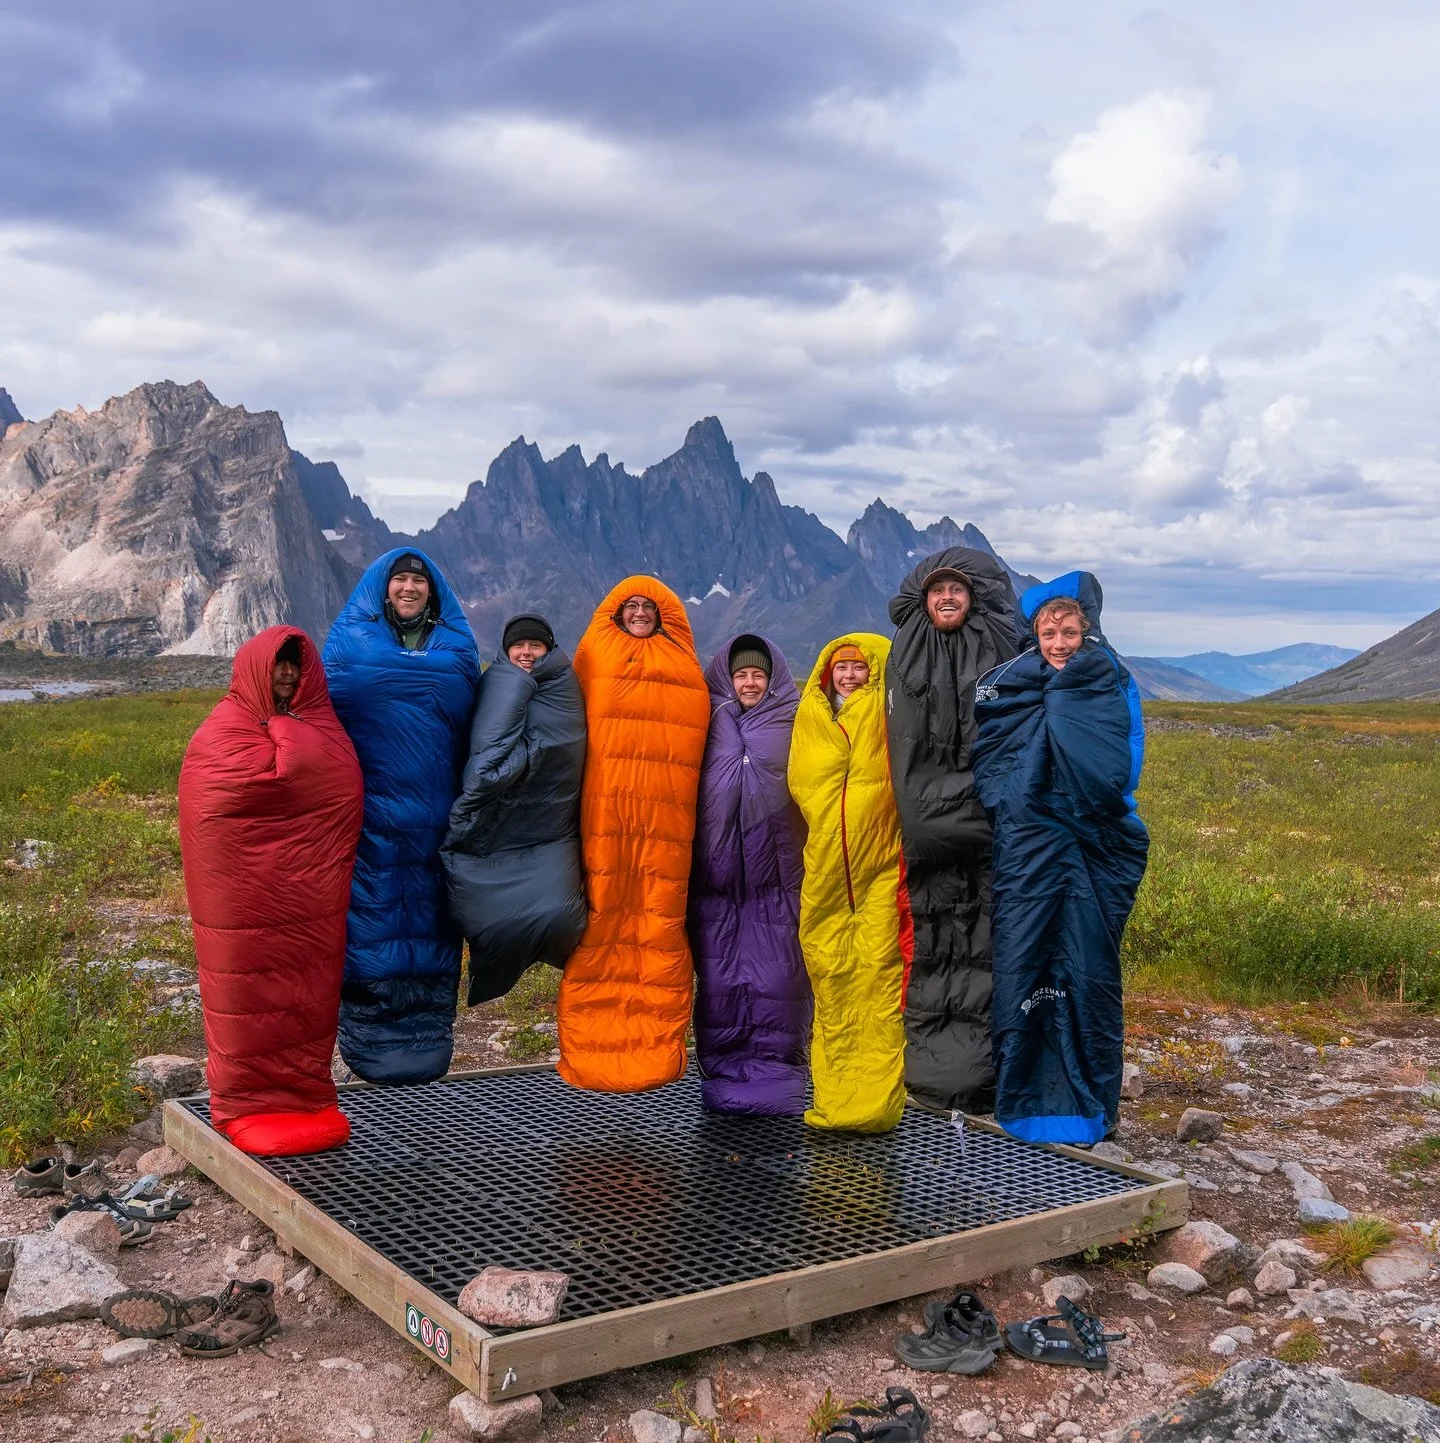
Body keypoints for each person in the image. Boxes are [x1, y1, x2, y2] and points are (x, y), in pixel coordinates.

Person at [973, 573, 1149, 1144]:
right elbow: (993, 758)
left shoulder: (1108, 679)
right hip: (1029, 847)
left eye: (1069, 632)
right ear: (1035, 634)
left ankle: (1090, 1103)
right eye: (1049, 633)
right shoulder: (1012, 685)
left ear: (1085, 630)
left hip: (1090, 840)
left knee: (1087, 964)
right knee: (1025, 956)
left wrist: (1103, 800)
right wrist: (1020, 799)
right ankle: (1025, 1097)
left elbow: (1126, 751)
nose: (1059, 643)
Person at [178, 626, 363, 1155]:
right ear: (256, 669)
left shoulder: (322, 724)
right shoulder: (223, 728)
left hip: (311, 896)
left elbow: (341, 787)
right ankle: (247, 1102)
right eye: (278, 665)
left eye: (295, 667)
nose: (286, 675)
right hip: (241, 897)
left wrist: (294, 745)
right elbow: (211, 805)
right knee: (247, 992)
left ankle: (306, 1093)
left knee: (308, 990)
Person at [323, 549, 479, 1084]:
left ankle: (428, 1038)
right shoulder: (351, 642)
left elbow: (473, 719)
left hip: (436, 816)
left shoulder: (457, 647)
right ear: (382, 589)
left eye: (418, 581)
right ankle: (370, 1038)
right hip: (373, 817)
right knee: (374, 920)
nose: (409, 588)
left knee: (432, 924)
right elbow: (327, 710)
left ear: (433, 592)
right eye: (401, 581)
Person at [557, 577, 710, 1092]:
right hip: (606, 818)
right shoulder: (594, 655)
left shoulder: (684, 665)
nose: (641, 613)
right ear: (615, 614)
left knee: (659, 925)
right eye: (632, 606)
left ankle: (655, 1054)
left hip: (667, 822)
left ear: (664, 614)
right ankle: (590, 1052)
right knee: (601, 925)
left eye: (649, 607)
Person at [885, 548, 1019, 1114]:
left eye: (957, 590)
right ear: (924, 598)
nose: (946, 598)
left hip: (985, 829)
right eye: (938, 590)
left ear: (974, 598)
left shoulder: (1004, 655)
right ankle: (931, 1070)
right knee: (932, 941)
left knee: (984, 939)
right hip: (927, 837)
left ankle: (981, 1073)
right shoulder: (903, 657)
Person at [788, 633, 905, 1132]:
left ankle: (875, 1105)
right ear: (826, 672)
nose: (851, 676)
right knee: (830, 974)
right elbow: (801, 779)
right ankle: (836, 1100)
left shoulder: (887, 713)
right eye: (842, 668)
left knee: (879, 975)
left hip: (880, 864)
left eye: (860, 668)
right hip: (826, 866)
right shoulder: (812, 715)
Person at [688, 635, 809, 1115]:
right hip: (717, 882)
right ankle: (721, 1082)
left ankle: (779, 1081)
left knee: (780, 982)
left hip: (774, 880)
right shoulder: (709, 722)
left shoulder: (793, 719)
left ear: (773, 677)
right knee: (720, 984)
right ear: (728, 679)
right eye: (742, 675)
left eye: (759, 674)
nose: (750, 682)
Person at [442, 614, 587, 1004]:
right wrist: (525, 756)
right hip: (499, 820)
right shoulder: (500, 682)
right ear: (506, 651)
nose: (526, 653)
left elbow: (567, 741)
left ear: (549, 649)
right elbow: (484, 767)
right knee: (488, 915)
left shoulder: (564, 686)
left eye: (535, 646)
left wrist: (529, 754)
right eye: (518, 646)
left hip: (548, 824)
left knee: (560, 916)